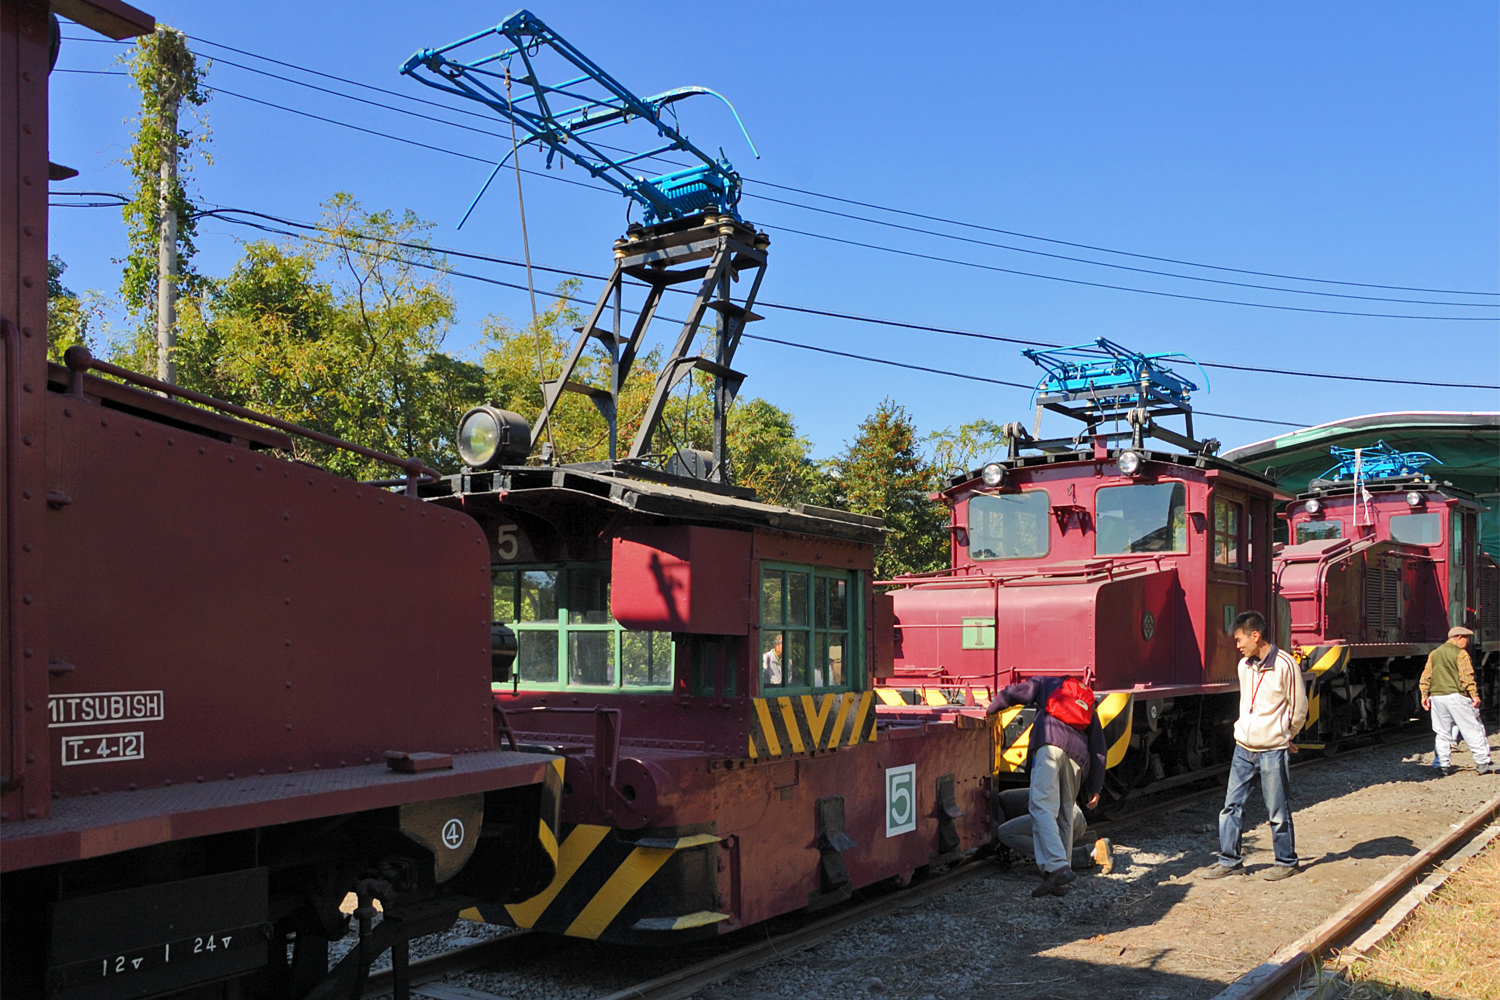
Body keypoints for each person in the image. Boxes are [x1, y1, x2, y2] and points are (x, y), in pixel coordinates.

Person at [1200, 610, 1308, 882]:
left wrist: (1286, 735)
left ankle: (1286, 861)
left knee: (1277, 809)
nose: (1237, 645)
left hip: (1272, 748)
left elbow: (1299, 708)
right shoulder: (1244, 666)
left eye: (1240, 639)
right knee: (1231, 806)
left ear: (1255, 636)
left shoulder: (1285, 665)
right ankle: (1229, 860)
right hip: (1244, 748)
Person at [985, 675, 1107, 898]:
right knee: (1064, 816)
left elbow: (1016, 693)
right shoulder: (1086, 698)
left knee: (1041, 806)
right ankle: (1061, 880)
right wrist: (1095, 787)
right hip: (1077, 757)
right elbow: (1099, 746)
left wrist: (991, 708)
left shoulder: (1047, 682)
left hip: (1050, 743)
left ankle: (1058, 867)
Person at [1421, 626, 1494, 775]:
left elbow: (1426, 676)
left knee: (1442, 733)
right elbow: (1466, 676)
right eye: (1466, 639)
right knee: (1472, 729)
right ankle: (1482, 762)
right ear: (1459, 637)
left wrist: (1424, 695)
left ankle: (1441, 764)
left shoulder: (1434, 653)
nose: (1467, 643)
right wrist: (1474, 694)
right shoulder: (1461, 654)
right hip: (1456, 696)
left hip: (1436, 697)